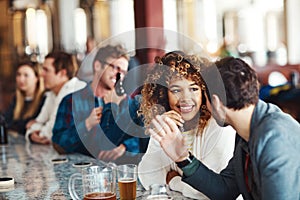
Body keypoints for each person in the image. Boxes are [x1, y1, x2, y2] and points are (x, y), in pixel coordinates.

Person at [149, 56, 300, 200]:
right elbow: (225, 191)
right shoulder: (246, 131)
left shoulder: (276, 138)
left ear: (215, 101)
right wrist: (183, 158)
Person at [137, 51, 236, 199]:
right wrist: (161, 132)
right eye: (176, 90)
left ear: (204, 92)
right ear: (163, 94)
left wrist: (174, 181)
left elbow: (210, 192)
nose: (185, 98)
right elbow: (148, 177)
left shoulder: (218, 125)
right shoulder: (168, 124)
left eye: (194, 89)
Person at [52, 44, 146, 164]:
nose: (119, 75)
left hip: (118, 174)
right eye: (114, 67)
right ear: (97, 65)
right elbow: (58, 143)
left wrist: (125, 148)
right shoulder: (71, 101)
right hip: (81, 172)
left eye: (123, 71)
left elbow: (143, 140)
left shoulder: (128, 104)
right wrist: (86, 125)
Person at [25, 52, 86, 144]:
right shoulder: (52, 93)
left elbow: (51, 133)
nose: (41, 74)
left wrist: (37, 131)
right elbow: (35, 123)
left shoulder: (73, 91)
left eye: (46, 70)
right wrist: (30, 135)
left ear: (62, 73)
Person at [3, 60, 45, 135]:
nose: (21, 79)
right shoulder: (16, 98)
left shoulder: (44, 99)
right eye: (18, 75)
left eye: (26, 75)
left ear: (37, 78)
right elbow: (6, 122)